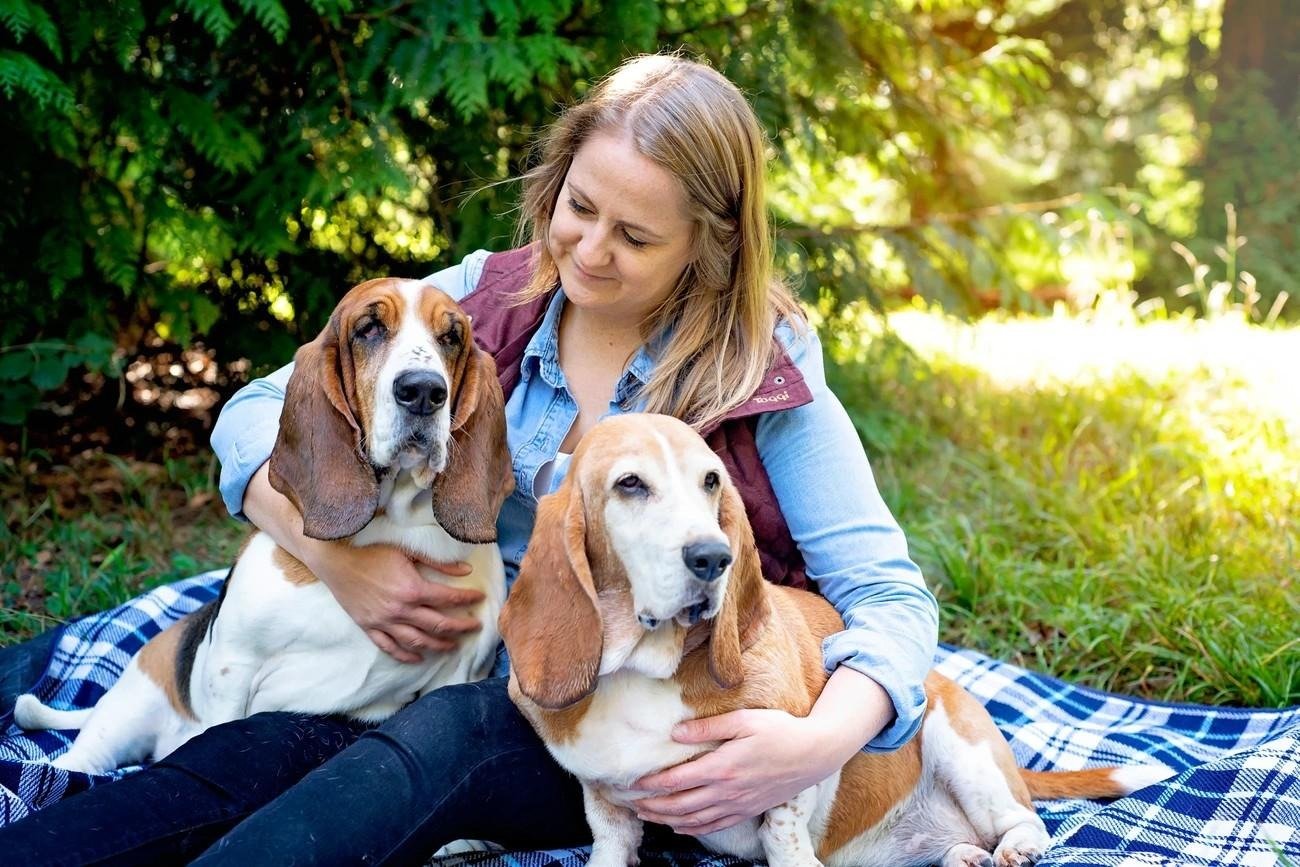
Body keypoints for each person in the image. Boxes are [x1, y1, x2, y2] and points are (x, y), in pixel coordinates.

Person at [0, 53, 938, 865]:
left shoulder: (760, 365)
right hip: (428, 655)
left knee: (432, 744)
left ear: (709, 245)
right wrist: (337, 560)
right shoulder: (487, 297)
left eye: (636, 236)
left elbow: (890, 598)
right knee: (238, 728)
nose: (589, 251)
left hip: (609, 718)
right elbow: (252, 414)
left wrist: (812, 746)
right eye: (579, 207)